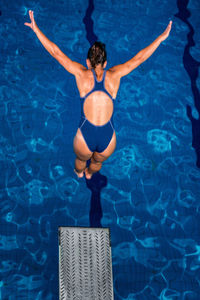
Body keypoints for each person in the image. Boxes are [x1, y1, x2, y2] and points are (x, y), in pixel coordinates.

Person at [25, 10, 172, 179]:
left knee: (80, 160)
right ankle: (89, 174)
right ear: (106, 63)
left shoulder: (81, 74)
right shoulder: (115, 75)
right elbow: (139, 58)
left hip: (85, 135)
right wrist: (160, 38)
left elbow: (56, 53)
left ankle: (80, 173)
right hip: (108, 138)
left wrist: (36, 30)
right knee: (97, 163)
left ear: (87, 62)